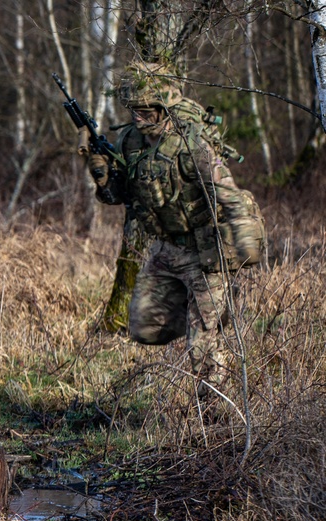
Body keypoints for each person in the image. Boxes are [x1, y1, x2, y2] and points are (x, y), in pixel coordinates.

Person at [88, 62, 264, 394]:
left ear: (162, 108)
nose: (138, 117)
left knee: (202, 351)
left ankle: (213, 419)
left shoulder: (190, 142)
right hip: (165, 249)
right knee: (143, 326)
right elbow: (120, 196)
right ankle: (209, 318)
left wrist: (242, 241)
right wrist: (102, 176)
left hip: (203, 249)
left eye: (146, 111)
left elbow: (227, 192)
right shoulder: (130, 142)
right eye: (134, 110)